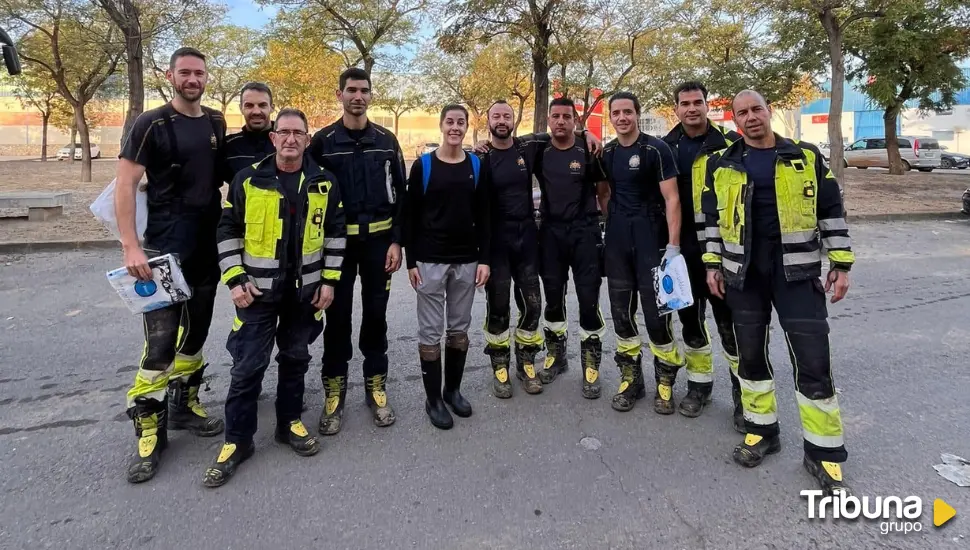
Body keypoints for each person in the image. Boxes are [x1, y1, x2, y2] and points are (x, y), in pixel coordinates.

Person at [702, 90, 854, 495]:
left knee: (814, 360)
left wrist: (840, 263)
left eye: (757, 109)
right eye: (742, 113)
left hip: (797, 273)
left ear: (769, 112)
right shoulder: (722, 163)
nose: (751, 117)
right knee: (749, 357)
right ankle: (761, 431)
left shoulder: (805, 156)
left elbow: (831, 209)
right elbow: (711, 221)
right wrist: (712, 265)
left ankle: (823, 453)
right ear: (734, 121)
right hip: (744, 274)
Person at [203, 108, 346, 487]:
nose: (290, 139)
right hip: (257, 293)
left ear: (307, 139)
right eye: (283, 132)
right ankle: (237, 440)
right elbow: (228, 230)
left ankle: (288, 423)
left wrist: (329, 282)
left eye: (298, 133)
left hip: (305, 293)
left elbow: (335, 234)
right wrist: (234, 279)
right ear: (273, 137)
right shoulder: (247, 181)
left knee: (296, 359)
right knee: (247, 367)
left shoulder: (323, 182)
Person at [114, 46, 227, 484]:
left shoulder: (216, 121)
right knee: (160, 341)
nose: (192, 79)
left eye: (199, 72)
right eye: (185, 72)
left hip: (204, 241)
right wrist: (130, 246)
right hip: (161, 245)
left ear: (206, 77)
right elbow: (126, 184)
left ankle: (184, 405)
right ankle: (148, 427)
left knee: (196, 332)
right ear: (171, 75)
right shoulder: (151, 123)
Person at [474, 103, 602, 397]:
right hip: (498, 240)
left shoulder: (529, 146)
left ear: (514, 119)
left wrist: (586, 133)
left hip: (530, 236)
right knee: (499, 306)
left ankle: (527, 361)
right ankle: (500, 366)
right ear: (488, 120)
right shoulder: (480, 157)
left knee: (533, 305)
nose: (502, 121)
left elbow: (563, 131)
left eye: (507, 116)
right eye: (497, 116)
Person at [308, 68, 407, 435]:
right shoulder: (322, 142)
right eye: (351, 90)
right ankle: (334, 393)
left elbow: (401, 193)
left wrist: (398, 240)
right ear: (339, 95)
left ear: (370, 95)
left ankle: (376, 385)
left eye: (364, 90)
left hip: (380, 245)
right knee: (337, 320)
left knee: (376, 317)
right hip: (338, 248)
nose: (358, 96)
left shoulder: (386, 139)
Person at [661, 81, 744, 427]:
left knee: (731, 327)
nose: (691, 108)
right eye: (685, 103)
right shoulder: (665, 147)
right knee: (691, 324)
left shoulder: (730, 145)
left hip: (724, 252)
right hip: (684, 255)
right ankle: (699, 386)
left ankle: (745, 395)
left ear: (707, 105)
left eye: (697, 102)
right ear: (676, 109)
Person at [404, 104, 491, 430]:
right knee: (430, 333)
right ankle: (433, 400)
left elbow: (485, 215)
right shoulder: (423, 166)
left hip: (467, 260)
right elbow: (409, 214)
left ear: (467, 126)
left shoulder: (476, 166)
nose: (455, 127)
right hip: (429, 260)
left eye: (460, 122)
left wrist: (485, 259)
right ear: (441, 125)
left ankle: (452, 391)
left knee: (459, 330)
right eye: (450, 122)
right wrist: (411, 261)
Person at [599, 91, 684, 414]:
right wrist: (616, 223)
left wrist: (673, 247)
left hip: (653, 239)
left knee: (657, 316)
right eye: (616, 113)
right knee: (621, 313)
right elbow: (603, 193)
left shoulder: (656, 149)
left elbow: (672, 199)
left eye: (627, 112)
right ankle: (630, 378)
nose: (622, 118)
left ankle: (665, 382)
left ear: (637, 114)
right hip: (619, 239)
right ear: (611, 117)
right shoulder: (606, 152)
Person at [533, 97, 608, 399]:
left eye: (567, 116)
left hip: (585, 232)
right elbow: (511, 141)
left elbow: (604, 193)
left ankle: (591, 366)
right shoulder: (540, 150)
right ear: (549, 120)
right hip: (550, 233)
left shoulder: (588, 150)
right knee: (553, 299)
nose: (561, 121)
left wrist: (610, 229)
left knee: (589, 298)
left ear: (575, 120)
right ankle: (556, 356)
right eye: (556, 116)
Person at [222, 82, 277, 183]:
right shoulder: (228, 146)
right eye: (249, 106)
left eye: (262, 105)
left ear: (272, 108)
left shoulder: (287, 142)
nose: (256, 111)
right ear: (241, 108)